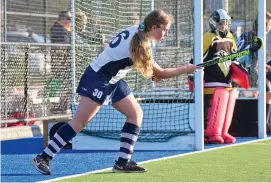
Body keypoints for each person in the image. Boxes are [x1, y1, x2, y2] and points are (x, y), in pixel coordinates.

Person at [33, 9, 202, 175]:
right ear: (154, 27)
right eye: (165, 30)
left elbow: (138, 65)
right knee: (80, 123)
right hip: (98, 78)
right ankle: (43, 157)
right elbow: (161, 73)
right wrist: (186, 69)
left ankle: (122, 163)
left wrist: (152, 72)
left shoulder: (136, 31)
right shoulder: (142, 43)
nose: (166, 34)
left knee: (135, 114)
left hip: (113, 79)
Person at [190, 9, 242, 144]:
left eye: (226, 24)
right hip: (211, 81)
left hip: (227, 81)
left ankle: (223, 132)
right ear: (213, 24)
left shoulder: (230, 37)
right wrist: (193, 76)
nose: (223, 27)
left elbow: (234, 58)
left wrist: (238, 73)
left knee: (226, 106)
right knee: (213, 106)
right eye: (220, 24)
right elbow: (196, 59)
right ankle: (209, 133)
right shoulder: (208, 37)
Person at [236, 11, 271, 128]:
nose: (269, 28)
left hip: (239, 70)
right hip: (247, 72)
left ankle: (263, 122)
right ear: (264, 25)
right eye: (269, 25)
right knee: (266, 92)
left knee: (266, 90)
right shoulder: (257, 39)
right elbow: (253, 62)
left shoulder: (247, 35)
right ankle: (262, 124)